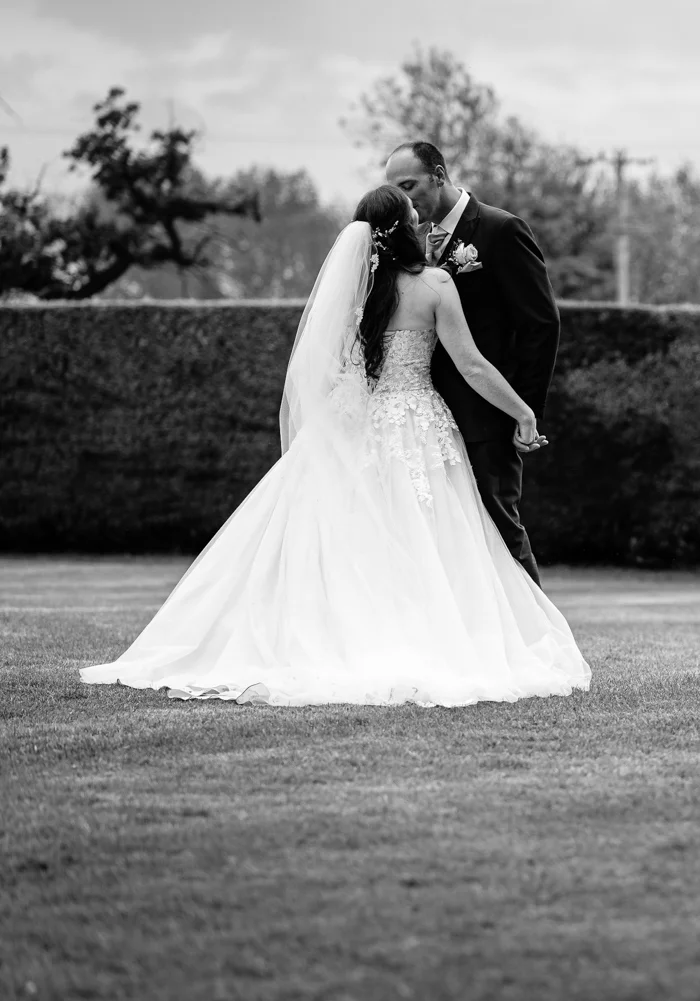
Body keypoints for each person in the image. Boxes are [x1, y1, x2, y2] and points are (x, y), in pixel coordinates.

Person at [79, 185, 590, 707]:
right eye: (413, 217)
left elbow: (329, 371)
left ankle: (365, 636)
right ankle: (435, 639)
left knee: (374, 541)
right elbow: (472, 365)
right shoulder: (434, 284)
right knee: (433, 540)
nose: (421, 223)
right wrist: (523, 411)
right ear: (401, 230)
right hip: (418, 426)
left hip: (367, 428)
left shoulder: (355, 297)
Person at [384, 141, 556, 585]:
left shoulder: (501, 230)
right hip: (422, 422)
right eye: (396, 190)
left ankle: (537, 627)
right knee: (440, 541)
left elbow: (540, 325)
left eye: (410, 185)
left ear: (439, 175)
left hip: (485, 415)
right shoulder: (410, 240)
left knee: (499, 529)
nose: (404, 198)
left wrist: (522, 411)